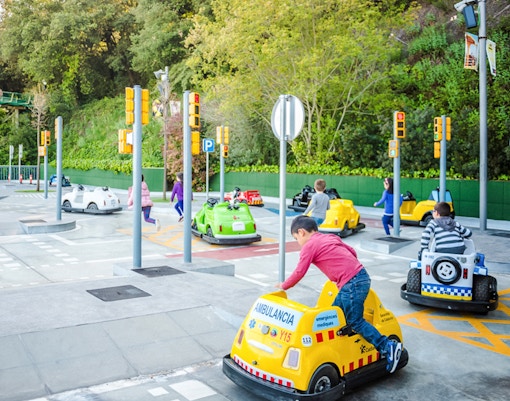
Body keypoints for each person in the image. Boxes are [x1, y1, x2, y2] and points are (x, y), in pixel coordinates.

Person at [276, 215, 402, 373]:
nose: (298, 242)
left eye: (296, 238)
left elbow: (300, 271)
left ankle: (388, 346)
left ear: (301, 232)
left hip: (351, 283)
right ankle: (343, 346)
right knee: (335, 314)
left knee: (355, 321)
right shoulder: (329, 237)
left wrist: (284, 286)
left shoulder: (309, 246)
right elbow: (352, 252)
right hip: (360, 277)